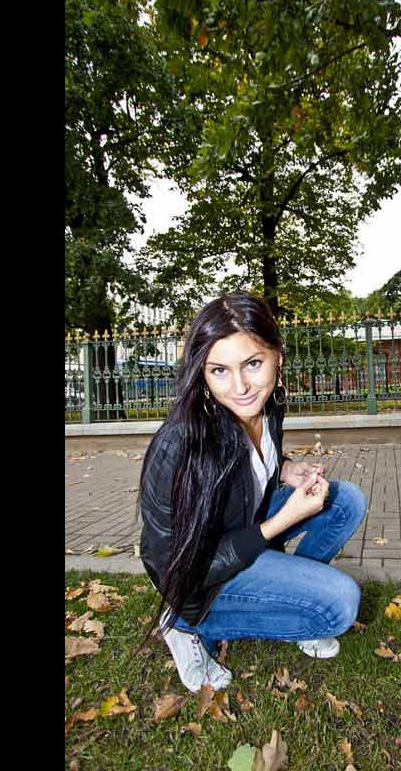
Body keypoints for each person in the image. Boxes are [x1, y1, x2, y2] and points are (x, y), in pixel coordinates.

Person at [136, 293, 367, 692]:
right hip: (193, 581)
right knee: (339, 604)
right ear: (202, 373)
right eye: (219, 370)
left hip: (240, 532)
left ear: (278, 356)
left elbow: (247, 470)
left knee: (345, 501)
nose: (240, 386)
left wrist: (286, 469)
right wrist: (281, 522)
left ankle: (292, 599)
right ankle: (185, 626)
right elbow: (181, 568)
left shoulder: (269, 403)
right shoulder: (182, 443)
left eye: (253, 364)